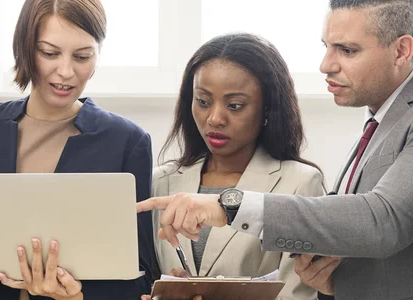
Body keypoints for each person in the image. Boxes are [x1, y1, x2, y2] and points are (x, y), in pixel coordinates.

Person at [137, 0, 413, 299]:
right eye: (327, 47)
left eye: (347, 50)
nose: (326, 65)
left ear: (401, 50)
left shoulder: (304, 177)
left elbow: (383, 220)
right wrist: (335, 285)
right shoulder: (376, 125)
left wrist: (228, 205)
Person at [0, 0, 156, 299]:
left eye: (82, 56)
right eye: (49, 53)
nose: (66, 71)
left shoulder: (127, 140)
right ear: (25, 49)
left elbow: (141, 278)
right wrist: (5, 260)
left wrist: (77, 294)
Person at [142, 33, 322, 300]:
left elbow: (299, 295)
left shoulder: (300, 182)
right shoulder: (162, 181)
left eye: (235, 106)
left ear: (268, 109)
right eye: (202, 102)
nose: (214, 119)